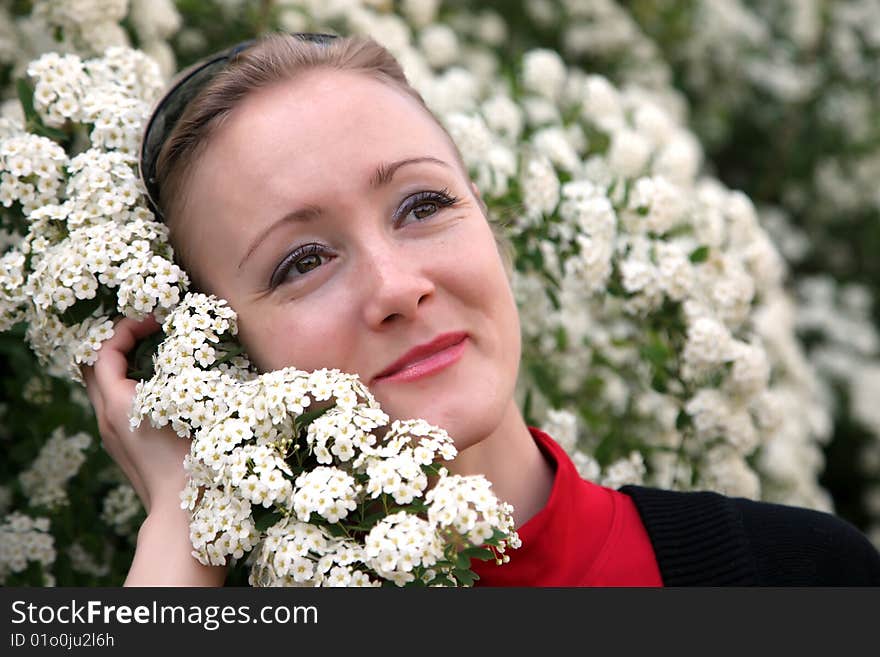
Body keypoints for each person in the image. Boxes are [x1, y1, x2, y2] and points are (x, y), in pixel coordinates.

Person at [82, 32, 880, 587]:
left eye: (421, 204)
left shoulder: (801, 573)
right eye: (303, 262)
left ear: (487, 219)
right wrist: (183, 529)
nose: (397, 286)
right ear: (217, 350)